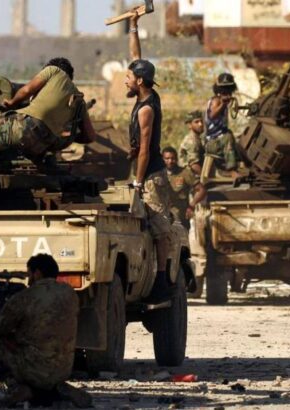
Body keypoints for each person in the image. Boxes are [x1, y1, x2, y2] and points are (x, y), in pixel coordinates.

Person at [0, 57, 99, 211]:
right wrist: (66, 135)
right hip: (43, 143)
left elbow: (26, 90)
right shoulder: (79, 100)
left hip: (23, 127)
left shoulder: (53, 70)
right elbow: (90, 136)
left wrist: (12, 102)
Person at [0, 254, 91, 408]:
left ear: (37, 273)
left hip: (34, 369)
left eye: (29, 275)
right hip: (63, 369)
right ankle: (55, 390)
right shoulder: (70, 293)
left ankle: (17, 388)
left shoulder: (26, 297)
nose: (29, 280)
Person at [126, 12, 173, 303]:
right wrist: (133, 26)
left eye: (129, 78)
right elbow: (136, 58)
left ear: (140, 81)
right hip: (144, 171)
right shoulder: (144, 94)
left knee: (159, 229)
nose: (125, 81)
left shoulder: (146, 110)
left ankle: (163, 281)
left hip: (151, 175)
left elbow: (145, 149)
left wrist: (139, 181)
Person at [163, 147, 206, 230]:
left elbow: (201, 190)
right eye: (167, 158)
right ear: (162, 159)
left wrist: (192, 206)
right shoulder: (158, 174)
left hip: (180, 217)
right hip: (163, 216)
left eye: (173, 158)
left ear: (177, 159)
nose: (170, 161)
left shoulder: (185, 173)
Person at [204, 72, 239, 173]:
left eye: (228, 88)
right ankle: (232, 170)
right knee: (228, 136)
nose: (226, 91)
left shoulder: (223, 101)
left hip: (219, 141)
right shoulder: (216, 101)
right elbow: (212, 115)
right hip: (212, 143)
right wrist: (223, 104)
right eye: (224, 88)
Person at [178, 110, 205, 175]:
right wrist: (205, 178)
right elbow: (194, 165)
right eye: (196, 122)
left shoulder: (197, 138)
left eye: (201, 121)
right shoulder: (192, 141)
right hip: (189, 176)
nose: (200, 124)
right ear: (190, 125)